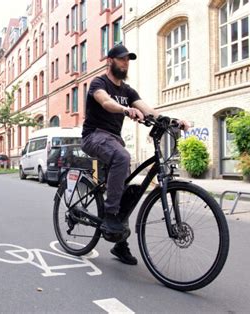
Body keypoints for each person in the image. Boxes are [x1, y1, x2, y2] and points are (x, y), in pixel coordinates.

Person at [81, 44, 189, 265]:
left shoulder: (128, 91)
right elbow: (105, 102)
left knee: (128, 193)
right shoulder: (99, 83)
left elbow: (148, 109)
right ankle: (110, 215)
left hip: (113, 140)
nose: (125, 63)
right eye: (121, 59)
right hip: (94, 136)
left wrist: (172, 121)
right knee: (122, 158)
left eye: (128, 60)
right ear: (110, 61)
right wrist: (125, 110)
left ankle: (119, 243)